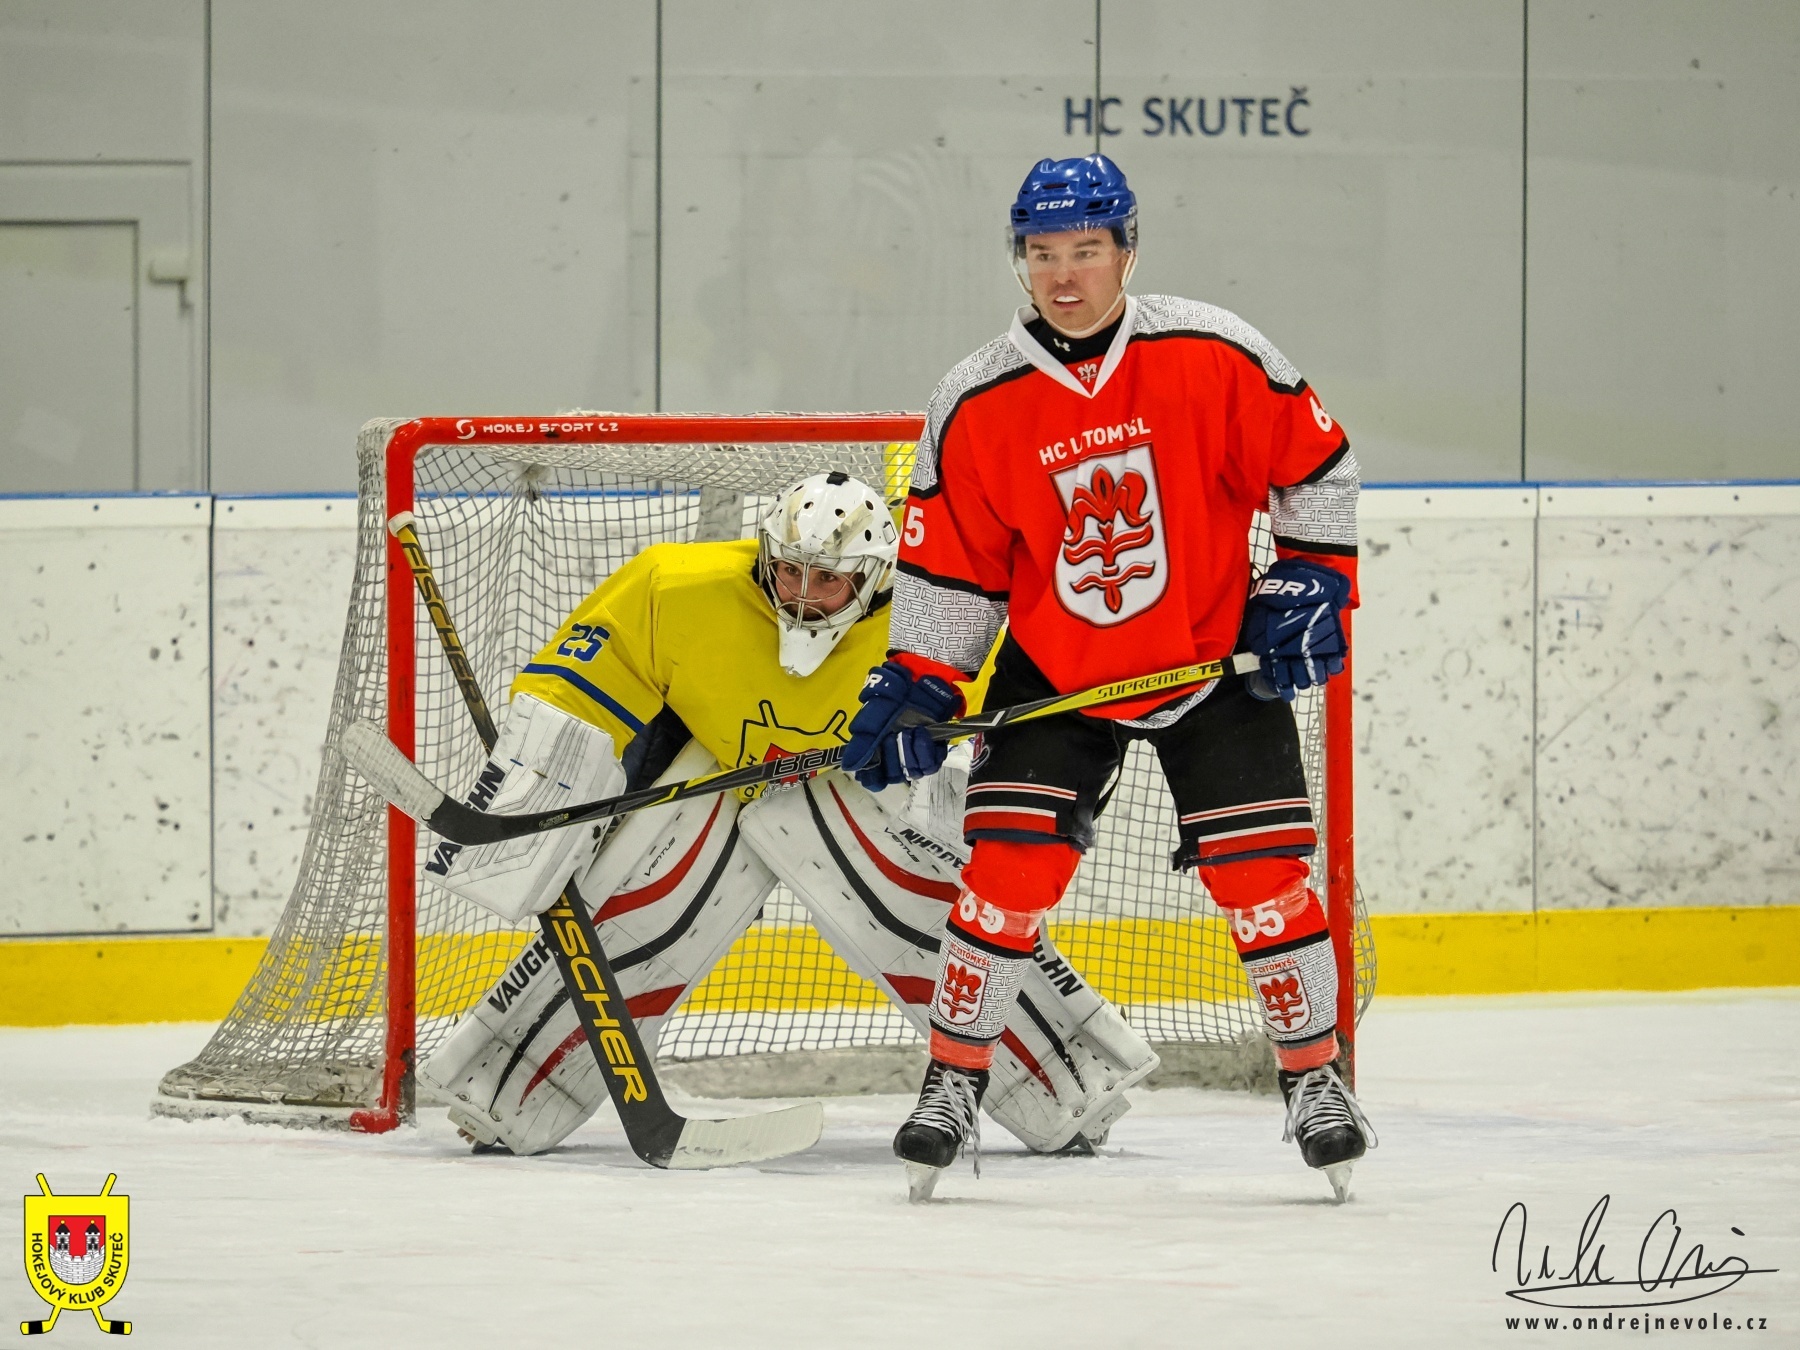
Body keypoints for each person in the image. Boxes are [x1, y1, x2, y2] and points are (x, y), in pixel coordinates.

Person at [844, 154, 1376, 1202]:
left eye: (1086, 250)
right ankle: (952, 1085)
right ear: (1020, 261)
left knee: (1264, 878)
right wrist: (923, 678)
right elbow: (953, 565)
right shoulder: (976, 396)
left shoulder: (1213, 350)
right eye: (1042, 254)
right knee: (1005, 873)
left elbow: (1317, 467)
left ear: (1128, 251)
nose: (1064, 275)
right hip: (1061, 672)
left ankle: (1316, 1081)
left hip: (1208, 655)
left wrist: (1313, 574)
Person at [418, 471, 1159, 1159]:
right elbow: (568, 704)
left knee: (931, 918)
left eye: (828, 579)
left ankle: (1071, 1088)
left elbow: (1008, 734)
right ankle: (502, 1093)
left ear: (872, 578)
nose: (802, 596)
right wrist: (527, 809)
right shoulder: (672, 589)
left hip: (867, 791)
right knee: (634, 916)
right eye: (789, 571)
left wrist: (947, 787)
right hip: (718, 775)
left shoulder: (941, 613)